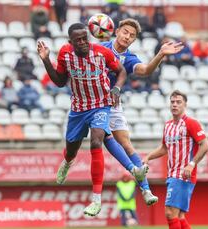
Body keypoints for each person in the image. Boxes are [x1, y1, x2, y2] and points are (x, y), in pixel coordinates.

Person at [37, 23, 147, 217]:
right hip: (79, 108)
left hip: (101, 104)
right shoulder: (65, 53)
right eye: (78, 40)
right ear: (71, 42)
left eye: (85, 38)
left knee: (97, 140)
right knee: (72, 149)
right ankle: (68, 161)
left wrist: (116, 89)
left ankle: (96, 200)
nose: (83, 42)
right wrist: (46, 60)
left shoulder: (100, 52)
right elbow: (61, 81)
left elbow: (121, 71)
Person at [100, 18, 184, 205]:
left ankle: (146, 190)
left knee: (127, 145)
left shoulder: (129, 58)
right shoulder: (100, 48)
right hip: (92, 102)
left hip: (112, 104)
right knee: (98, 138)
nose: (127, 37)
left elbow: (145, 70)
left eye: (132, 36)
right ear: (118, 31)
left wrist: (161, 54)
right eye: (125, 32)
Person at [143, 90, 208, 229]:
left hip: (183, 175)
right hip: (172, 174)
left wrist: (191, 164)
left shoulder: (191, 123)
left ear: (185, 104)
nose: (174, 105)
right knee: (178, 215)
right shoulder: (168, 125)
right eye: (172, 102)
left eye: (178, 102)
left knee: (170, 213)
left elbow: (205, 145)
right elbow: (164, 148)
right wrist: (148, 157)